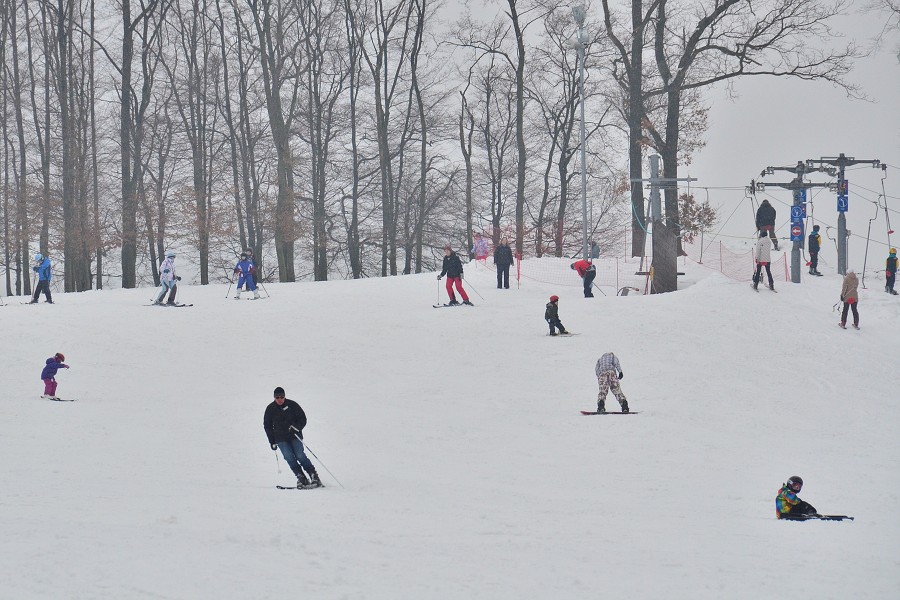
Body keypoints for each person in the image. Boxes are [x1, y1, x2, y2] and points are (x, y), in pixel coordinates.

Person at [263, 387, 322, 489]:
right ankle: (301, 477)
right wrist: (271, 441)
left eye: (282, 397)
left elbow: (302, 418)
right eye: (277, 397)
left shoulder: (292, 405)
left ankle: (314, 476)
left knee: (300, 455)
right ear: (274, 398)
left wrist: (296, 428)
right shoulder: (270, 409)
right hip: (280, 439)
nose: (280, 399)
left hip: (294, 436)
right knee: (289, 457)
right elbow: (267, 426)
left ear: (285, 396)